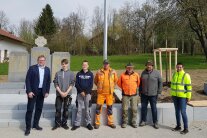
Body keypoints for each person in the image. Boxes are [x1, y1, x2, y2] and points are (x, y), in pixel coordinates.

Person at [25, 55, 51, 136]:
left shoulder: (47, 69)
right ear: (37, 61)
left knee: (39, 109)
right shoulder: (32, 68)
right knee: (30, 109)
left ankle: (35, 125)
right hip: (33, 92)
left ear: (45, 61)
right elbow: (27, 80)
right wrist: (29, 91)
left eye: (43, 60)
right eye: (40, 60)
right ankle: (28, 128)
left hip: (42, 92)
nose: (41, 61)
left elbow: (48, 81)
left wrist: (47, 91)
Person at [94, 59, 118, 129]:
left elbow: (115, 81)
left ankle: (110, 123)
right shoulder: (99, 72)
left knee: (110, 108)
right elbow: (96, 81)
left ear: (109, 64)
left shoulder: (113, 72)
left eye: (107, 64)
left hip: (109, 94)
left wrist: (111, 88)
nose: (106, 65)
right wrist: (99, 87)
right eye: (104, 64)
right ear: (103, 64)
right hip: (101, 94)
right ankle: (97, 123)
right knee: (98, 109)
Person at [52, 59, 75, 130]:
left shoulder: (71, 73)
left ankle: (64, 123)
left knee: (66, 109)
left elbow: (72, 83)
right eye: (63, 64)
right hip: (59, 94)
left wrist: (66, 92)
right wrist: (61, 92)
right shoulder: (58, 73)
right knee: (58, 109)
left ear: (67, 64)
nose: (64, 65)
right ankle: (57, 124)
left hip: (67, 94)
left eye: (65, 64)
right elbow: (55, 83)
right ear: (61, 64)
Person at [139, 60, 162, 129]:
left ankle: (155, 122)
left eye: (150, 65)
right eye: (147, 65)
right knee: (144, 108)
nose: (149, 66)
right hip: (144, 94)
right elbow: (140, 83)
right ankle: (143, 121)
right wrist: (140, 91)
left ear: (152, 66)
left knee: (154, 108)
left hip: (153, 94)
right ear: (146, 66)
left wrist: (159, 92)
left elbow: (160, 82)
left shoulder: (157, 73)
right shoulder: (143, 73)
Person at [71, 60, 94, 131]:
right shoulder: (78, 74)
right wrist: (81, 91)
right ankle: (77, 124)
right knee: (79, 109)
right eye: (83, 65)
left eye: (86, 65)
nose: (84, 66)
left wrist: (86, 92)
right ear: (82, 66)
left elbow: (91, 85)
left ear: (88, 66)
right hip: (80, 94)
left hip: (87, 94)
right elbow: (76, 84)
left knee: (87, 109)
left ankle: (88, 123)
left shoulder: (90, 74)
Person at [171, 62, 192, 134]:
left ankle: (186, 128)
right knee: (177, 111)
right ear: (176, 67)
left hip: (183, 97)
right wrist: (172, 94)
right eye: (177, 67)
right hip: (175, 96)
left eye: (180, 67)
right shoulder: (174, 74)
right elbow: (172, 85)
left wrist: (188, 97)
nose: (179, 68)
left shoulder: (186, 75)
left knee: (183, 112)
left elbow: (189, 87)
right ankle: (178, 126)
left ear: (183, 68)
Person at [117, 62, 140, 128]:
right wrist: (124, 88)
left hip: (134, 95)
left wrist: (133, 88)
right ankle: (125, 122)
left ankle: (134, 122)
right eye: (128, 67)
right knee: (124, 109)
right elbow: (119, 84)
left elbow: (138, 84)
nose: (129, 68)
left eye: (131, 67)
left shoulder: (136, 75)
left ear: (133, 68)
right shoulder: (122, 75)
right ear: (126, 68)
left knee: (134, 109)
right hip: (125, 95)